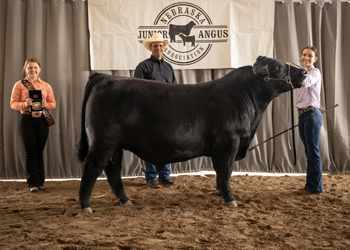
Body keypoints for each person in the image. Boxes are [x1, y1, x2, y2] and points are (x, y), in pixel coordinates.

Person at [134, 33, 177, 188]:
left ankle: (164, 175)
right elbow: (136, 90)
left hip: (167, 113)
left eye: (161, 45)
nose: (158, 48)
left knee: (167, 143)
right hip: (149, 113)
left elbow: (175, 90)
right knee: (150, 145)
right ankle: (151, 176)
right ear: (150, 48)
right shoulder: (143, 66)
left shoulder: (169, 67)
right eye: (155, 46)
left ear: (164, 48)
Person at [10, 58, 56, 193]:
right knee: (30, 153)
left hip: (42, 120)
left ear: (39, 69)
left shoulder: (46, 86)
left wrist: (45, 105)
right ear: (26, 69)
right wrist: (25, 104)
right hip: (26, 120)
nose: (33, 70)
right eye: (30, 68)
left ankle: (41, 181)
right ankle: (32, 183)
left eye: (35, 67)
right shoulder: (19, 85)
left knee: (39, 152)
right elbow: (13, 103)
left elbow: (53, 104)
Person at [295, 46, 323, 194]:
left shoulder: (315, 73)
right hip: (303, 115)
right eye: (304, 55)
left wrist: (293, 71)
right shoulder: (302, 72)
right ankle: (311, 185)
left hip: (312, 115)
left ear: (315, 59)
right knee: (309, 151)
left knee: (313, 151)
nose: (306, 58)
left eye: (310, 56)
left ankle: (316, 187)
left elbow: (304, 82)